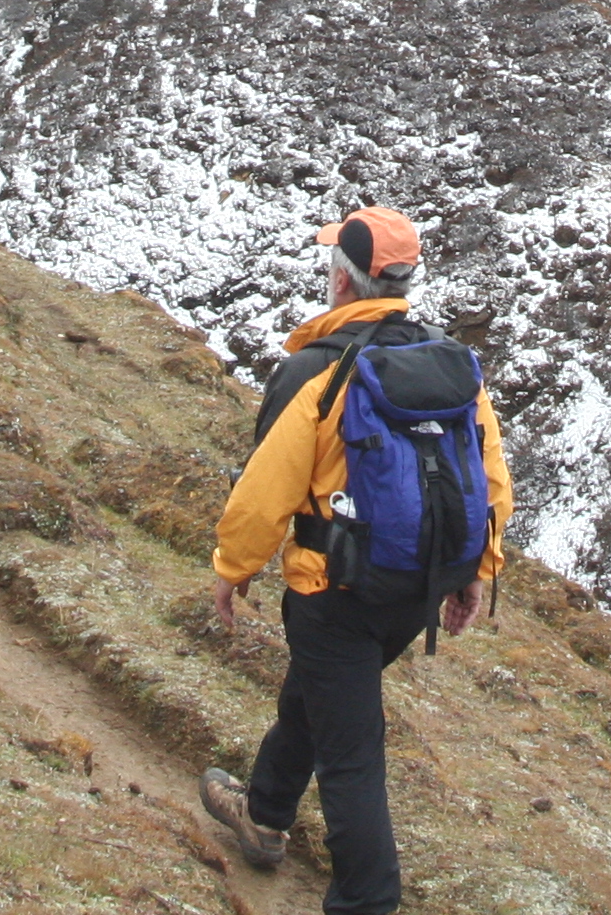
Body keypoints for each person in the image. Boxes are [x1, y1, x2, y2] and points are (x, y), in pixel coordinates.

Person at [199, 208, 513, 912]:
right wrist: (471, 575)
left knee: (352, 755)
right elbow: (489, 484)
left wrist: (234, 569)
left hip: (332, 591)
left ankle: (367, 900)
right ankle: (266, 814)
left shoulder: (319, 371)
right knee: (318, 702)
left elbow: (264, 489)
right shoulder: (451, 366)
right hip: (412, 594)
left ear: (343, 280)